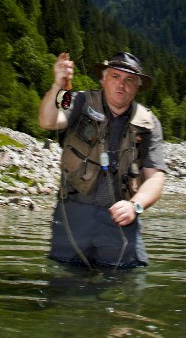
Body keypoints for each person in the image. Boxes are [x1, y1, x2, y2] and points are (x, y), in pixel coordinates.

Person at [38, 51, 166, 269]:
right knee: (65, 287)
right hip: (73, 215)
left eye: (129, 80)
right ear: (103, 79)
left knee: (124, 289)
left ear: (138, 87)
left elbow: (155, 177)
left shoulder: (148, 123)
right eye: (115, 76)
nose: (121, 85)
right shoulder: (77, 100)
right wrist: (57, 85)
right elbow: (48, 121)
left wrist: (136, 206)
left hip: (121, 220)